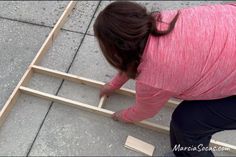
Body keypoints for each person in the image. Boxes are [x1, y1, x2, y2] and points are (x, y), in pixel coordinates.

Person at [93, 1, 236, 157]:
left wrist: (122, 116)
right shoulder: (163, 20)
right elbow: (131, 58)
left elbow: (144, 111)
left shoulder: (154, 77)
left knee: (187, 124)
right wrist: (113, 85)